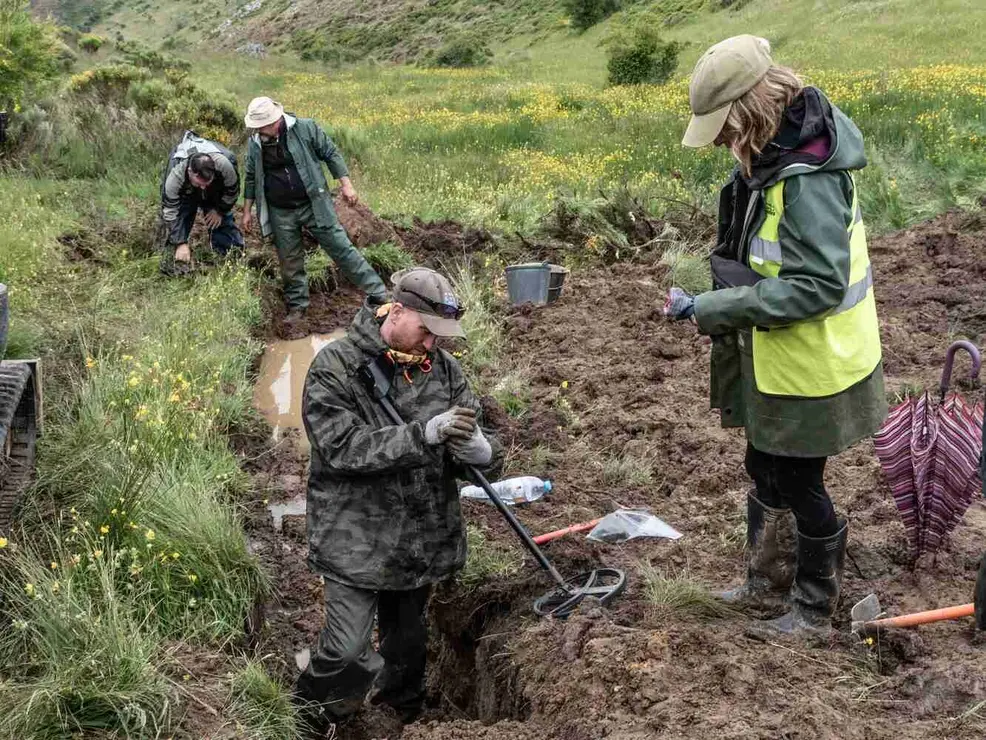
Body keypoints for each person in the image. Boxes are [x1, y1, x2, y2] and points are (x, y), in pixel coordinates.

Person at [664, 35, 887, 637]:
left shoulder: (808, 176)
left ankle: (813, 607)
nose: (721, 141)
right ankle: (766, 583)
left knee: (796, 478)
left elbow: (814, 286)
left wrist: (715, 305)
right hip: (779, 353)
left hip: (815, 361)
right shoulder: (779, 151)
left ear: (748, 110)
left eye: (724, 127)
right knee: (762, 465)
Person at [295, 266, 502, 733]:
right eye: (427, 331)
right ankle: (308, 719)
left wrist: (481, 453)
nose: (433, 343)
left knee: (407, 646)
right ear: (397, 310)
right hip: (354, 539)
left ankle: (396, 720)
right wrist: (422, 435)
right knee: (347, 650)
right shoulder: (336, 367)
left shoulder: (445, 371)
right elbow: (342, 448)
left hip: (421, 540)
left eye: (440, 336)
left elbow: (479, 449)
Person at [241, 96, 387, 319]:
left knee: (342, 248)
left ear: (274, 122)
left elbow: (330, 153)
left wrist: (346, 185)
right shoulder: (255, 144)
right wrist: (246, 211)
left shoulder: (305, 128)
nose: (258, 130)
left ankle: (378, 293)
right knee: (289, 260)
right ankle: (298, 306)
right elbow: (251, 177)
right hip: (280, 211)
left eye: (261, 126)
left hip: (314, 203)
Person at [160, 130, 243, 273]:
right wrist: (180, 242)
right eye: (200, 183)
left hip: (216, 190)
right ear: (191, 172)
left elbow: (232, 191)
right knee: (181, 217)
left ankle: (229, 260)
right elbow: (170, 210)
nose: (203, 186)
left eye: (207, 182)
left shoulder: (225, 164)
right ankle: (175, 265)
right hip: (185, 192)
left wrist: (219, 210)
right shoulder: (175, 174)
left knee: (221, 221)